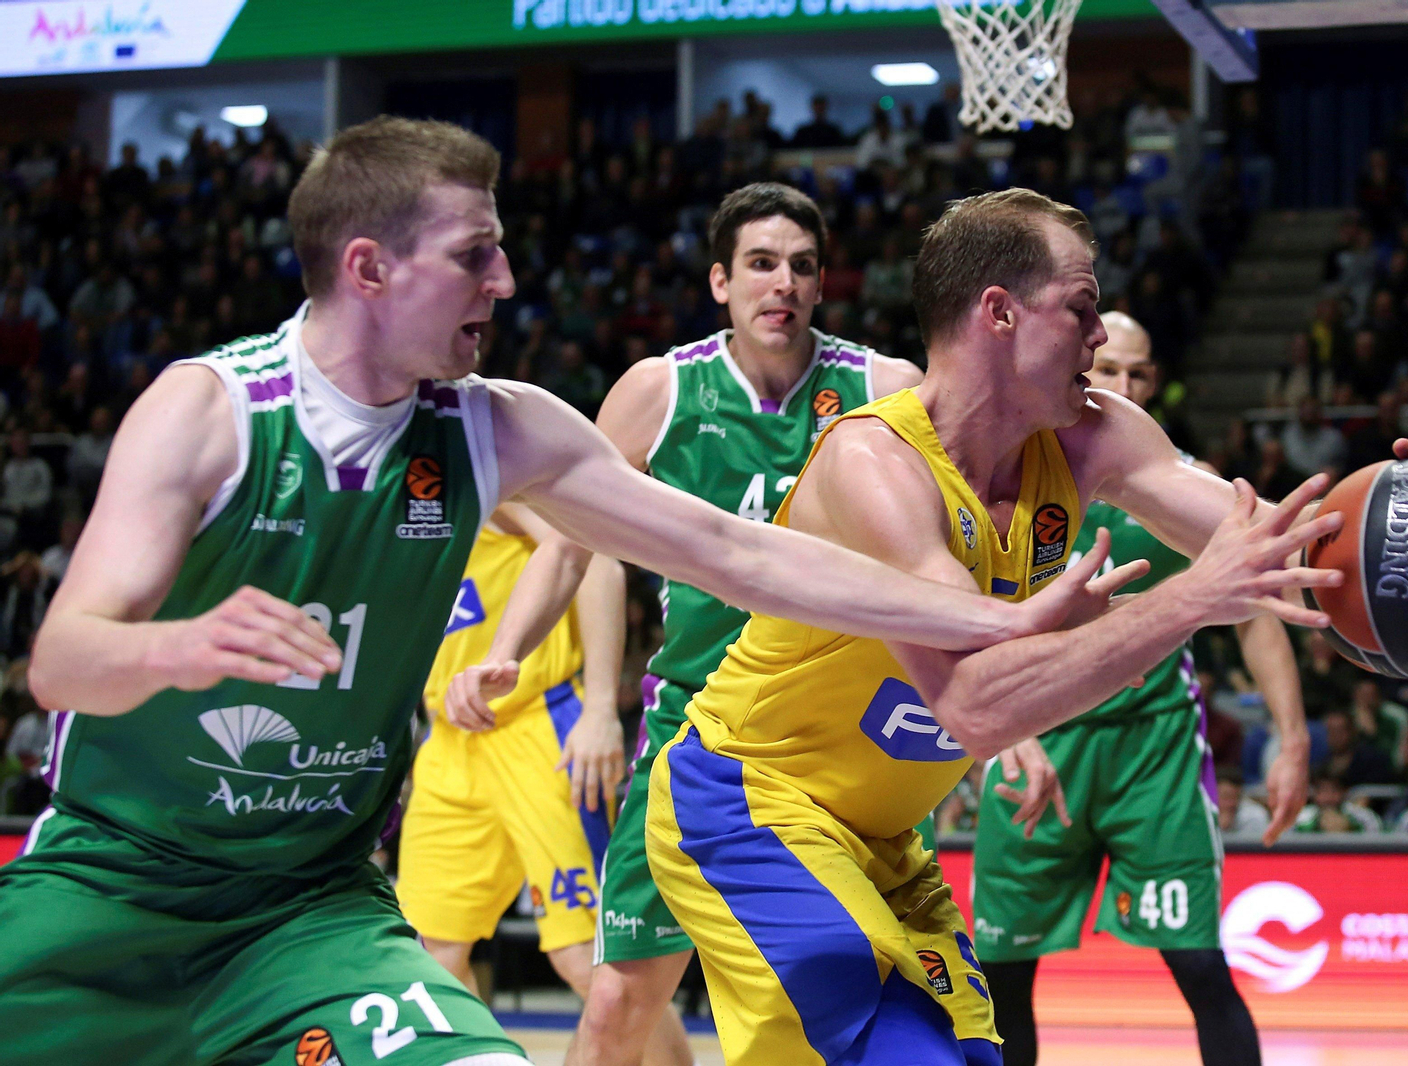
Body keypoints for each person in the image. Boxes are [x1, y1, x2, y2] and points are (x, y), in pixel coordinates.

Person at [0, 121, 1096, 1065]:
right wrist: (178, 647)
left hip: (306, 909)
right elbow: (63, 660)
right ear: (370, 267)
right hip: (111, 887)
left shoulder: (499, 423)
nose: (507, 281)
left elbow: (738, 553)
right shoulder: (210, 409)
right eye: (476, 255)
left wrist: (990, 618)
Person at [641, 189, 1408, 1064]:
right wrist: (1187, 601)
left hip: (882, 841)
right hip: (750, 802)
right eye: (1083, 308)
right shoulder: (876, 464)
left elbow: (1291, 551)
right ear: (999, 313)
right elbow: (975, 708)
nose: (1100, 337)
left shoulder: (1095, 438)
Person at [456, 182, 926, 1066]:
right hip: (695, 726)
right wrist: (507, 652)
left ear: (822, 286)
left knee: (870, 987)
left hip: (836, 728)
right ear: (720, 282)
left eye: (800, 267)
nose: (780, 282)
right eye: (759, 264)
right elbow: (569, 542)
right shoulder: (659, 391)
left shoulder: (886, 390)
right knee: (620, 1000)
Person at [970, 311, 1308, 1066]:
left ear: (1153, 382)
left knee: (1200, 967)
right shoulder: (1011, 475)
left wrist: (1291, 737)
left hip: (1152, 754)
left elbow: (1259, 610)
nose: (1121, 387)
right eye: (1109, 369)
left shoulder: (1185, 487)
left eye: (1137, 374)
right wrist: (1010, 735)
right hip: (1037, 743)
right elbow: (970, 620)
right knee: (1001, 979)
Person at [392, 504, 663, 1046]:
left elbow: (597, 560)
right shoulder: (375, 504)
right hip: (448, 738)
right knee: (432, 953)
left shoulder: (486, 479)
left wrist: (600, 707)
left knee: (587, 957)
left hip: (540, 723)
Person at [1293, 770, 1382, 833]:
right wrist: (1317, 824)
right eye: (1323, 791)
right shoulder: (1300, 816)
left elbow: (1377, 836)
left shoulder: (1362, 815)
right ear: (1314, 793)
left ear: (1343, 792)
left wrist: (1350, 827)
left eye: (1334, 791)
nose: (1328, 797)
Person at [1215, 766, 1269, 838]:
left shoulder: (1255, 815)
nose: (1232, 803)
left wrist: (1226, 828)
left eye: (1237, 797)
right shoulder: (1200, 814)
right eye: (1226, 797)